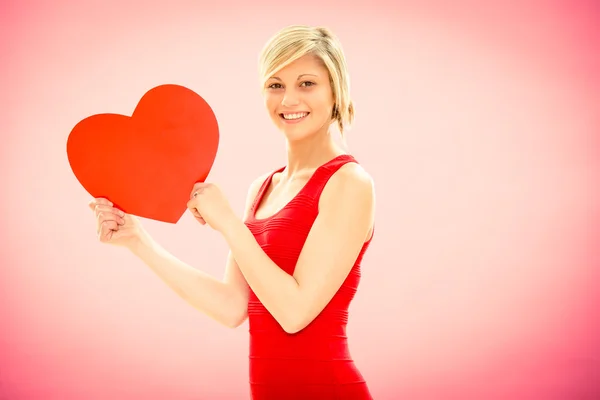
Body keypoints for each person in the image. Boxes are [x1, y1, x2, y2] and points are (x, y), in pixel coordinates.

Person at [89, 25, 376, 400]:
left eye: (307, 83)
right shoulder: (262, 188)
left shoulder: (349, 182)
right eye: (275, 85)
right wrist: (137, 240)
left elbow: (294, 313)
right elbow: (232, 307)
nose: (289, 99)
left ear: (336, 92)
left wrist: (226, 223)